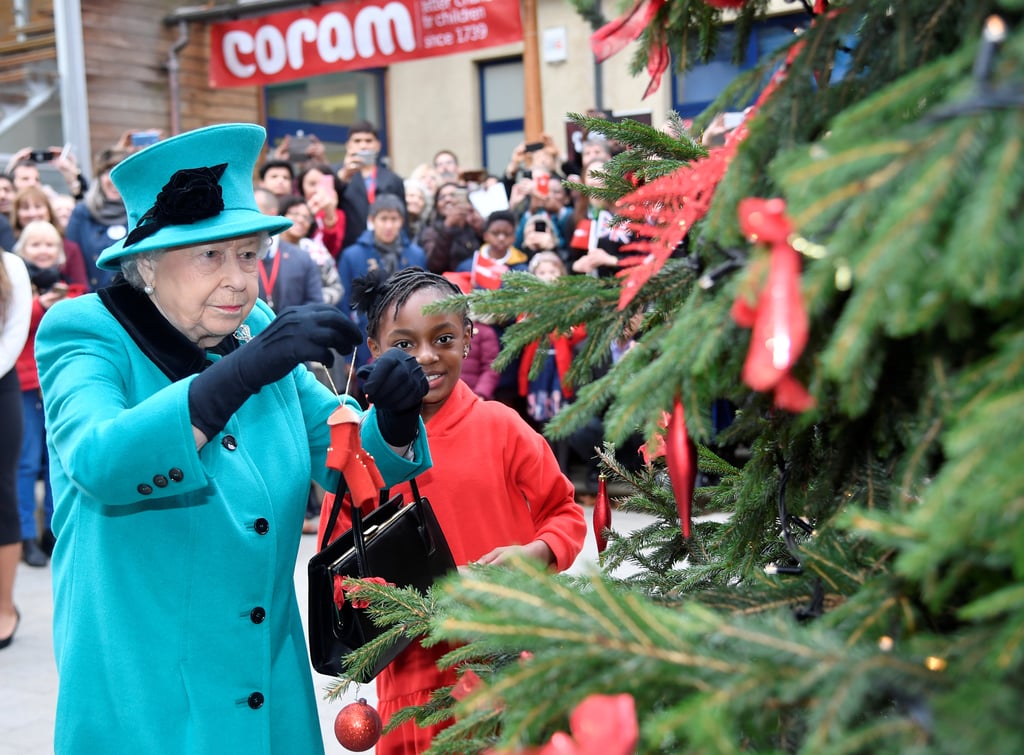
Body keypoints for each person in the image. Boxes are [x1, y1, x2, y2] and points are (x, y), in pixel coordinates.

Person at [34, 123, 432, 752]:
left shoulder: (253, 328)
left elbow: (341, 463)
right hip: (148, 704)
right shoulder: (85, 331)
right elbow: (99, 458)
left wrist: (397, 419)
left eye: (249, 255)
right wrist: (240, 373)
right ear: (147, 265)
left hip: (264, 693)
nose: (239, 279)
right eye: (209, 256)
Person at [320, 266, 587, 754]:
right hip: (412, 683)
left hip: (510, 667)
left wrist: (537, 553)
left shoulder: (501, 427)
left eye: (442, 337)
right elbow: (335, 563)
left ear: (468, 338)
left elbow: (564, 511)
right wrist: (395, 599)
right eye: (403, 344)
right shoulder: (358, 447)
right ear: (375, 351)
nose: (425, 356)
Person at [13, 221, 87, 566]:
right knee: (25, 464)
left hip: (56, 387)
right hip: (24, 387)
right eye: (35, 244)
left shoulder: (68, 287)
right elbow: (14, 322)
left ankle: (56, 532)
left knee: (55, 459)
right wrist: (39, 304)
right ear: (22, 249)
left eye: (48, 244)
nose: (42, 250)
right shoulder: (14, 288)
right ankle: (25, 533)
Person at [338, 194, 427, 370]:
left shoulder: (415, 254)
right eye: (383, 219)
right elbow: (344, 306)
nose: (388, 226)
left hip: (409, 335)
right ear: (372, 220)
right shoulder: (352, 255)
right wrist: (349, 356)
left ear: (401, 221)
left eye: (394, 219)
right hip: (365, 338)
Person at [0, 246, 31, 650]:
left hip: (1, 386)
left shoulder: (11, 266)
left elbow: (13, 334)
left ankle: (4, 607)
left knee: (2, 498)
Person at [64, 145, 134, 290]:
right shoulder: (82, 213)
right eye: (108, 171)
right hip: (92, 300)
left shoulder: (139, 214)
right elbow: (71, 261)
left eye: (120, 172)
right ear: (99, 177)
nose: (113, 179)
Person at [334, 120, 406, 249]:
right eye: (357, 141)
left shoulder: (393, 179)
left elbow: (402, 216)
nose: (363, 146)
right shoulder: (337, 173)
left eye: (368, 141)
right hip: (348, 247)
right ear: (348, 146)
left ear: (378, 146)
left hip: (387, 248)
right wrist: (343, 176)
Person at [253, 187, 323, 312]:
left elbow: (315, 304)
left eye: (254, 211)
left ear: (272, 214)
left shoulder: (302, 258)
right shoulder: (236, 254)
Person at [9, 185, 88, 288]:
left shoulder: (69, 248)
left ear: (49, 211)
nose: (32, 213)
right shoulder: (9, 246)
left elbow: (80, 288)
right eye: (25, 208)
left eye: (38, 206)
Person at [278, 195, 344, 307]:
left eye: (306, 217)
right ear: (282, 214)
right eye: (295, 214)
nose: (300, 220)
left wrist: (314, 300)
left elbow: (336, 287)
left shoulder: (316, 250)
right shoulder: (268, 247)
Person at [419, 181, 484, 273]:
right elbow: (434, 266)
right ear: (437, 205)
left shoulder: (472, 224)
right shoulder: (431, 231)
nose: (447, 199)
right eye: (442, 197)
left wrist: (479, 225)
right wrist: (448, 226)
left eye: (453, 195)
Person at [295, 163, 345, 259]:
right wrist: (308, 213)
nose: (318, 189)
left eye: (323, 184)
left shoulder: (339, 214)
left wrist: (330, 215)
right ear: (302, 187)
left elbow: (332, 249)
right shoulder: (293, 210)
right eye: (312, 184)